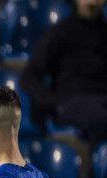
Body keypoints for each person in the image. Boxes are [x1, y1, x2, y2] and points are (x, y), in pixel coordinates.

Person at [21, 0, 107, 148]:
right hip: (72, 102)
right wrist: (54, 103)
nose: (91, 2)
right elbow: (30, 77)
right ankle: (93, 169)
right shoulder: (59, 33)